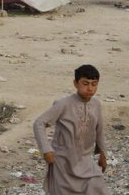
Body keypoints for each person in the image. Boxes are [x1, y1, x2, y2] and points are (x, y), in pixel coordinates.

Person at [33, 65, 108, 195]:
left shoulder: (96, 104)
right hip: (63, 163)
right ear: (75, 84)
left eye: (94, 84)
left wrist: (103, 154)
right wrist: (46, 150)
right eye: (85, 83)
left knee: (97, 186)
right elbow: (39, 123)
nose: (90, 88)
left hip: (86, 161)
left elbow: (99, 130)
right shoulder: (63, 104)